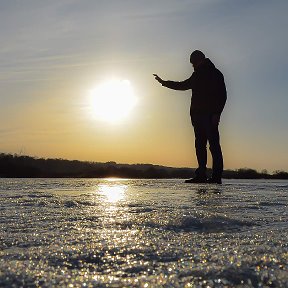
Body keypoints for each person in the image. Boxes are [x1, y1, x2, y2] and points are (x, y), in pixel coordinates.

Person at [153, 50, 227, 184]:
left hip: (210, 116)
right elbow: (184, 85)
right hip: (197, 117)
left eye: (193, 63)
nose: (192, 65)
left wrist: (217, 113)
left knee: (214, 146)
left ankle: (216, 177)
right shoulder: (197, 74)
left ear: (200, 60)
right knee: (200, 146)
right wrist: (164, 82)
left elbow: (222, 95)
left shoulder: (215, 74)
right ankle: (201, 175)